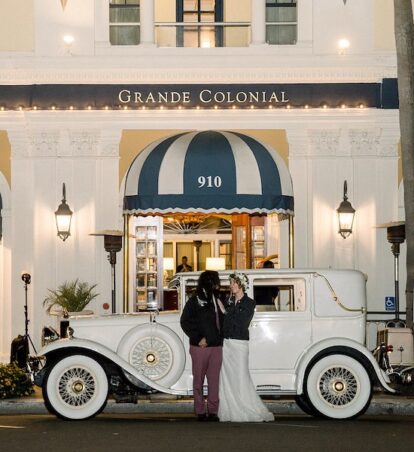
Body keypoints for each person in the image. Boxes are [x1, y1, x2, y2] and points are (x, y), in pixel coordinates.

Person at [217, 272, 274, 422]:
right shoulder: (229, 301)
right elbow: (225, 320)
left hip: (240, 344)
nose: (231, 286)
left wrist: (225, 311)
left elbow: (242, 322)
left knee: (241, 376)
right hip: (227, 343)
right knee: (227, 378)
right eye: (231, 283)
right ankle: (230, 408)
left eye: (234, 283)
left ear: (241, 285)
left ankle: (245, 406)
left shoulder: (249, 303)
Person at [180, 270, 223, 422]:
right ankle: (200, 411)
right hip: (200, 347)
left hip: (217, 346)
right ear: (209, 282)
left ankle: (213, 411)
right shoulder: (195, 300)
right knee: (198, 379)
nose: (218, 284)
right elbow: (185, 321)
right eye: (216, 281)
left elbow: (222, 319)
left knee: (214, 380)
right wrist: (198, 338)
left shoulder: (217, 298)